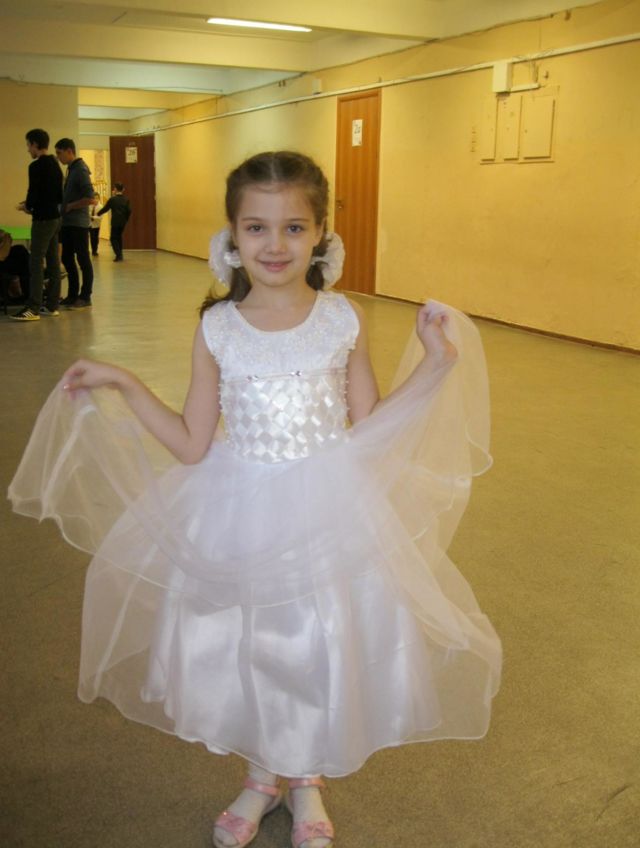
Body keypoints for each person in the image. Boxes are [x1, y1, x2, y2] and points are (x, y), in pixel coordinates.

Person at [9, 152, 501, 848]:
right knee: (251, 646)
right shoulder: (218, 327)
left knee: (315, 646)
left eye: (294, 227)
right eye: (257, 227)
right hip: (238, 510)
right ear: (233, 235)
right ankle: (261, 775)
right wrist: (123, 381)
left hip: (329, 511)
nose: (275, 245)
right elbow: (191, 442)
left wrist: (436, 364)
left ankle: (305, 780)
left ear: (321, 233)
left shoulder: (342, 318)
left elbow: (372, 427)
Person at [10, 128, 63, 321]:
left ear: (34, 144)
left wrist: (27, 207)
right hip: (55, 218)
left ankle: (33, 307)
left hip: (42, 220)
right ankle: (52, 305)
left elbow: (33, 194)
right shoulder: (55, 164)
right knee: (53, 261)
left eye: (28, 145)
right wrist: (33, 204)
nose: (27, 149)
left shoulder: (36, 166)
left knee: (35, 262)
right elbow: (58, 195)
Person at [55, 138, 95, 309]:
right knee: (66, 258)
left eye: (59, 153)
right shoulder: (71, 169)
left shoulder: (80, 170)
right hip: (67, 223)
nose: (58, 157)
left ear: (69, 151)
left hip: (78, 224)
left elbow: (91, 198)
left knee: (83, 259)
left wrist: (71, 206)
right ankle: (72, 295)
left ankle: (85, 296)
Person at [97, 182, 131, 261]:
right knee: (119, 237)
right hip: (123, 222)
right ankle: (120, 253)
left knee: (113, 238)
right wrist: (126, 219)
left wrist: (98, 214)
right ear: (123, 189)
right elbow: (129, 211)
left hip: (115, 221)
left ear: (115, 189)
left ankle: (118, 255)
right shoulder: (126, 199)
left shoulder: (112, 199)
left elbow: (106, 208)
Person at [89, 192, 102, 256]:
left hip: (97, 225)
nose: (95, 200)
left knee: (96, 238)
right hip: (89, 224)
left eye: (97, 198)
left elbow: (100, 217)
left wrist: (92, 217)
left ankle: (95, 249)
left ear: (99, 199)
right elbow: (87, 213)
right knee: (92, 238)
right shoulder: (89, 205)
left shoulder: (100, 206)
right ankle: (93, 251)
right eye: (94, 198)